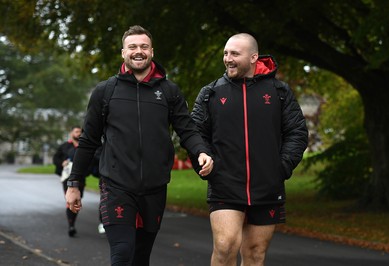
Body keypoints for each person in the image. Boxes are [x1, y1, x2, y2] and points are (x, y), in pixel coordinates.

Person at [65, 25, 213, 265]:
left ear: (152, 52)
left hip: (155, 187)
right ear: (123, 53)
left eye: (144, 47)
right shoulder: (106, 91)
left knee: (140, 257)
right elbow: (88, 140)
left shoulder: (169, 91)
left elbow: (187, 130)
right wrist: (74, 183)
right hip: (116, 186)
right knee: (122, 253)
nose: (138, 51)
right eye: (132, 47)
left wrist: (201, 152)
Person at [191, 33, 308, 265]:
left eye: (235, 53)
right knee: (225, 247)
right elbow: (194, 135)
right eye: (225, 53)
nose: (228, 58)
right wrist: (202, 158)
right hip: (224, 183)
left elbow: (297, 133)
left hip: (266, 185)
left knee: (255, 253)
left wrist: (281, 167)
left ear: (254, 57)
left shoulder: (279, 92)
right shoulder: (210, 93)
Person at [53, 126, 87, 237]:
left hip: (81, 178)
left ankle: (72, 222)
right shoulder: (64, 146)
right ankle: (71, 226)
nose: (78, 134)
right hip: (67, 178)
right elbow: (55, 158)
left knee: (77, 201)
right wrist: (62, 162)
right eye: (76, 132)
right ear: (71, 133)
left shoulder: (85, 146)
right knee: (70, 200)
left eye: (80, 132)